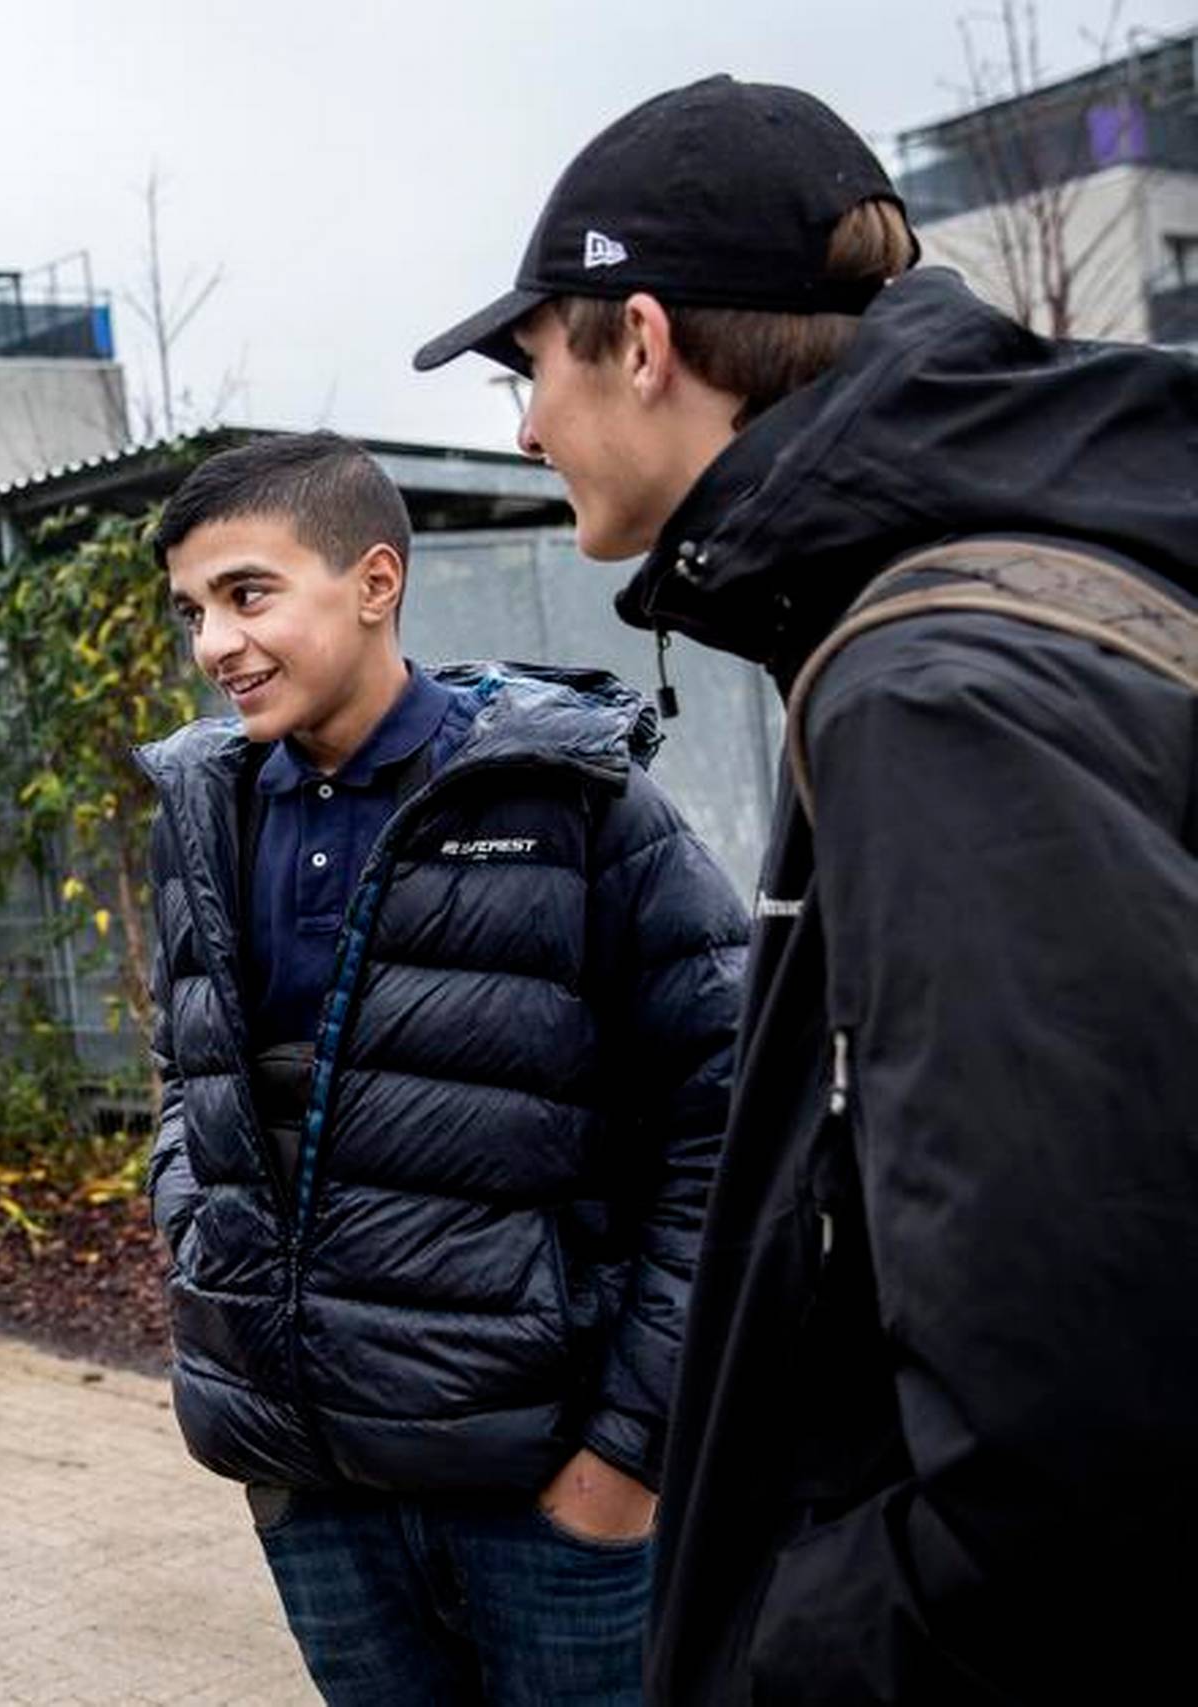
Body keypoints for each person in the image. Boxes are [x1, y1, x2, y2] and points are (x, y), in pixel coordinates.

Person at [414, 75, 1198, 1704]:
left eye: (533, 365)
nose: (524, 428)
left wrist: (780, 1648)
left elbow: (1079, 1441)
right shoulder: (981, 586)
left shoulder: (935, 686)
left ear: (641, 340)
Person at [139, 431, 748, 1704]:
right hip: (316, 1495)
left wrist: (625, 1455)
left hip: (544, 1498)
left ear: (374, 583)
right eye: (193, 611)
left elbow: (726, 1120)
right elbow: (185, 1079)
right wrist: (210, 1264)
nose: (214, 646)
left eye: (248, 595)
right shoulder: (204, 811)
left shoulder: (568, 799)